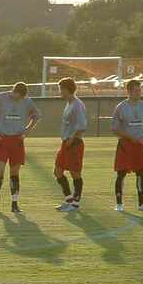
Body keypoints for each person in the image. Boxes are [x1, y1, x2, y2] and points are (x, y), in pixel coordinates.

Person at [0, 82, 40, 213]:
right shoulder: (0, 98)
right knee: (0, 170)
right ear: (15, 91)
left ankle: (14, 202)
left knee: (14, 172)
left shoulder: (27, 101)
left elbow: (36, 116)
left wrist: (27, 131)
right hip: (2, 139)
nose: (20, 99)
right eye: (19, 96)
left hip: (17, 140)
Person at [112, 80, 143, 212]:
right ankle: (119, 203)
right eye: (136, 91)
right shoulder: (121, 107)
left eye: (140, 90)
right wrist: (129, 137)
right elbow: (115, 129)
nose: (139, 93)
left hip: (141, 145)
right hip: (126, 145)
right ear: (129, 91)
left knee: (141, 174)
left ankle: (142, 203)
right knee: (121, 174)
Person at [54, 78, 88, 212]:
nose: (59, 92)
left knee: (75, 173)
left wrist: (72, 138)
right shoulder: (69, 103)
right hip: (66, 143)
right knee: (58, 171)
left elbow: (82, 126)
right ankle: (69, 200)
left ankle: (75, 204)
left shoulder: (77, 104)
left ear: (67, 90)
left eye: (61, 89)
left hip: (74, 144)